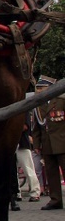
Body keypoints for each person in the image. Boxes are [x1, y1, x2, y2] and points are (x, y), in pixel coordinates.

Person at [32, 75, 65, 210]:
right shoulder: (38, 105)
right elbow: (36, 128)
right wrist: (36, 145)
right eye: (38, 88)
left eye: (42, 88)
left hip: (62, 141)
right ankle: (55, 199)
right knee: (51, 174)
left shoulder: (61, 100)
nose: (39, 91)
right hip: (47, 144)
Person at [16, 112, 41, 202]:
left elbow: (25, 126)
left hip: (22, 143)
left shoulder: (24, 110)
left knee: (28, 169)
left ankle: (35, 192)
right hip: (10, 145)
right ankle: (16, 193)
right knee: (12, 172)